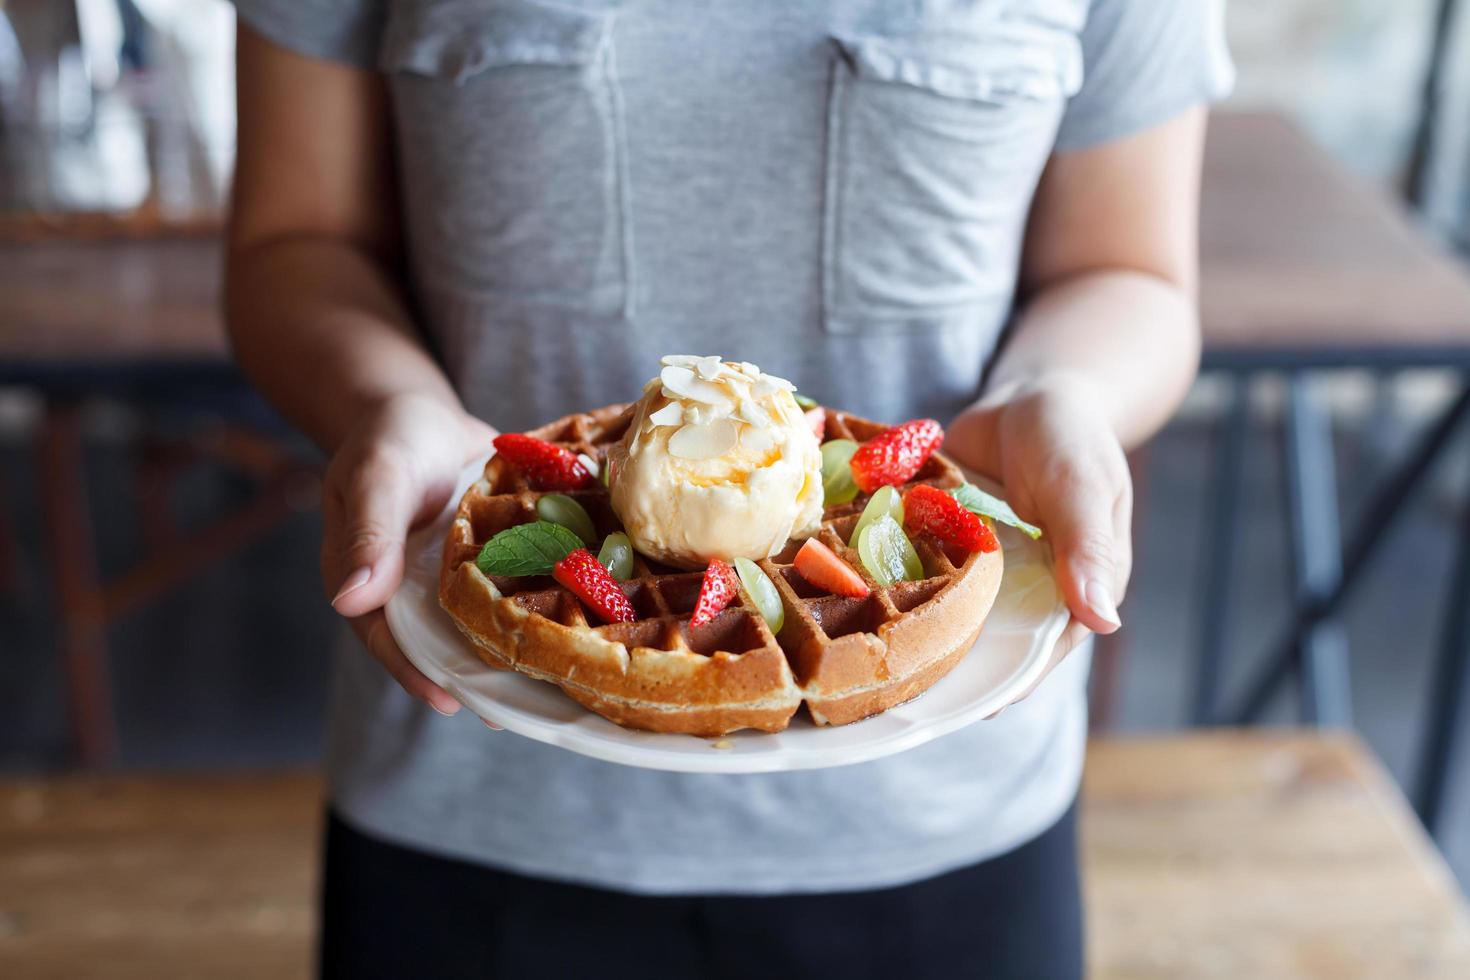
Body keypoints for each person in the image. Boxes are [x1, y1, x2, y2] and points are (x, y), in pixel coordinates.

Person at [227, 2, 1232, 976]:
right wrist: (385, 398)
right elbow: (296, 239)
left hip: (943, 821)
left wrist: (1062, 394)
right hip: (470, 809)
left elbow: (1126, 266)